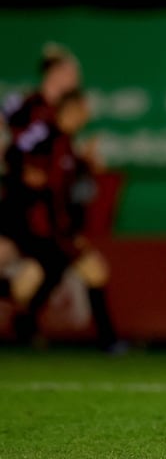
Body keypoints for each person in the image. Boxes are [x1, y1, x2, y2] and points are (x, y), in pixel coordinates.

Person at [2, 87, 123, 353]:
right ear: (71, 110)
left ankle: (28, 324)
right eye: (84, 109)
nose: (88, 114)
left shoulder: (66, 143)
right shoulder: (45, 135)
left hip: (55, 229)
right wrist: (24, 174)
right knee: (91, 272)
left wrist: (86, 163)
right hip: (39, 228)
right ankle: (109, 341)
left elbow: (64, 184)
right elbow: (14, 156)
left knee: (33, 281)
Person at [1, 42, 82, 306]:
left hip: (40, 207)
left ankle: (25, 322)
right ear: (55, 73)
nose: (77, 79)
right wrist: (20, 169)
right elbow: (14, 149)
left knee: (35, 271)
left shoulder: (61, 118)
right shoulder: (31, 108)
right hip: (17, 200)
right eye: (71, 72)